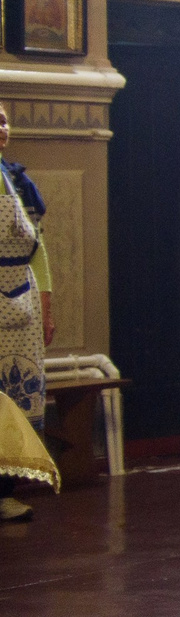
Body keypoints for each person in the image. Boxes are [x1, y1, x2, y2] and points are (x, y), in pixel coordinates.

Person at [0, 101, 53, 523]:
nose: (1, 128)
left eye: (2, 120)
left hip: (22, 298)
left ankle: (4, 491)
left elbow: (39, 250)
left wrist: (47, 307)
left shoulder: (16, 180)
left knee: (15, 396)